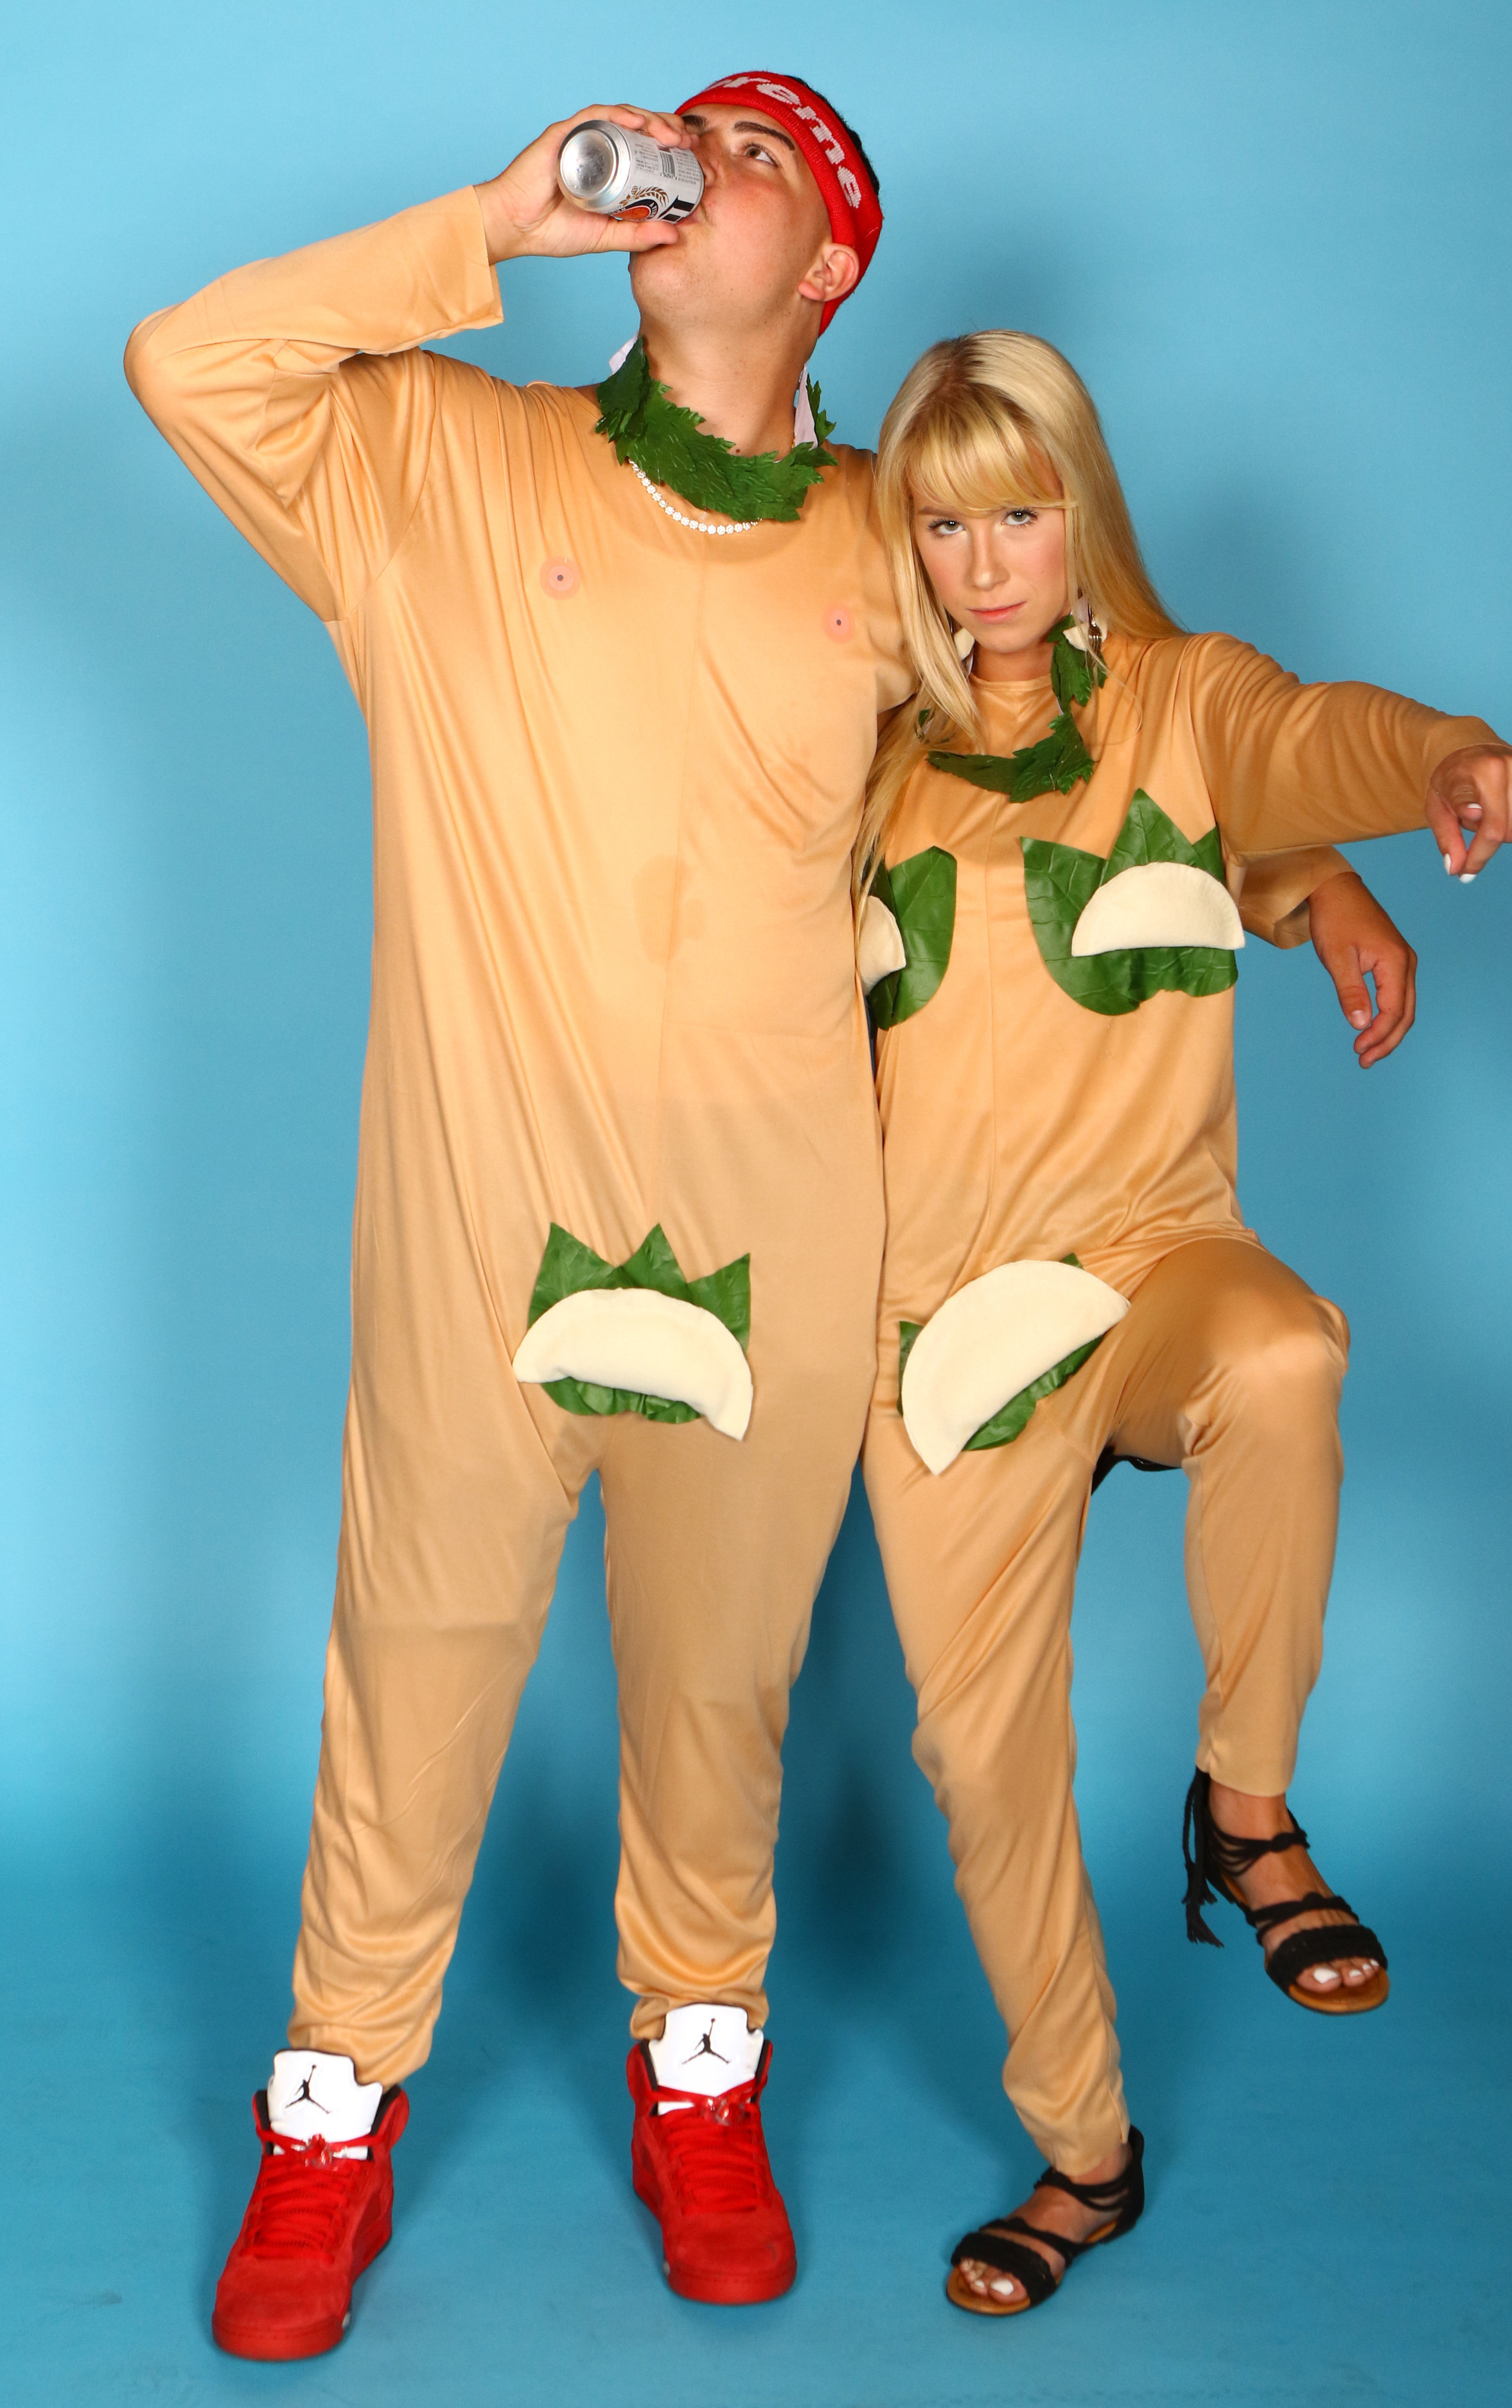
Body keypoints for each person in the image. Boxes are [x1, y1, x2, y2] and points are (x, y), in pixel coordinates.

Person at [125, 72, 907, 2356]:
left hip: (778, 1236)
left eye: (755, 153)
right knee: (421, 1664)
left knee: (718, 1697)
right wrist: (489, 222)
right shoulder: (441, 465)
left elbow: (1106, 744)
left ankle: (701, 2075)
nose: (694, 154)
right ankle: (334, 2118)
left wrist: (1305, 867)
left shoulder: (902, 541)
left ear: (832, 261)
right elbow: (193, 361)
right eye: (685, 128)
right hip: (479, 1221)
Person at [853, 330, 1512, 2316]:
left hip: (1152, 1258)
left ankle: (1244, 1812)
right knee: (977, 1758)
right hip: (942, 1321)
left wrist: (1429, 775)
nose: (985, 562)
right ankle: (1084, 2150)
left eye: (1020, 510)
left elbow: (1299, 743)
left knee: (1285, 1352)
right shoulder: (864, 754)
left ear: (1082, 514)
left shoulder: (1179, 696)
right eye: (941, 521)